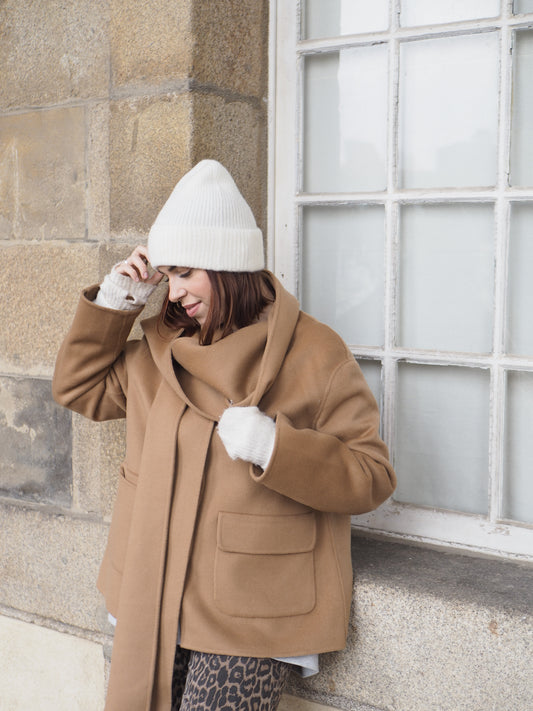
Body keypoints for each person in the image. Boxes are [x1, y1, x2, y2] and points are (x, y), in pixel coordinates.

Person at [52, 159, 396, 711]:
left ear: (228, 265)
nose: (176, 291)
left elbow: (372, 476)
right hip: (149, 586)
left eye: (187, 272)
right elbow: (78, 388)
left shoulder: (316, 354)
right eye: (168, 274)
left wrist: (275, 448)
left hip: (248, 608)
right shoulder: (160, 351)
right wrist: (118, 299)